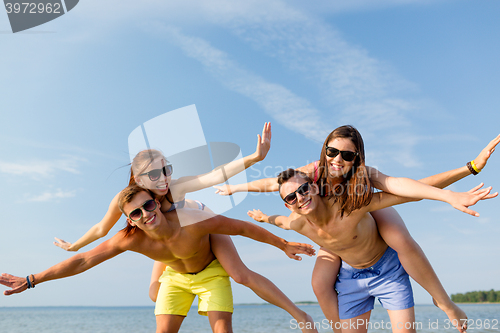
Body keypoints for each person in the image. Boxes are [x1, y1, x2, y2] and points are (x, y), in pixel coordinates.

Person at [216, 127, 500, 332]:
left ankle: (443, 302)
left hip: (362, 211)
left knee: (398, 238)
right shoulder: (312, 176)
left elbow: (406, 188)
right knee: (319, 282)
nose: (337, 160)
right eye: (331, 152)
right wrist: (238, 190)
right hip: (333, 232)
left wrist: (467, 172)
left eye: (346, 155)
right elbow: (273, 186)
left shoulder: (364, 180)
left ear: (358, 158)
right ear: (324, 151)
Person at [53, 123, 316, 329]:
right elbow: (102, 228)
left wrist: (255, 158)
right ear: (138, 178)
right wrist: (75, 245)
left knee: (239, 274)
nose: (164, 178)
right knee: (156, 290)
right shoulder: (129, 200)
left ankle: (300, 315)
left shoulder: (174, 187)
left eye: (166, 169)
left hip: (201, 222)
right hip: (171, 238)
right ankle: (164, 278)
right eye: (155, 174)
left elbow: (214, 175)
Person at [1, 185, 316, 333]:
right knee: (160, 314)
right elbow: (84, 261)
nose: (144, 214)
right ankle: (160, 272)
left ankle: (300, 315)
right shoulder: (129, 238)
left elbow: (242, 227)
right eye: (135, 213)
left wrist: (283, 244)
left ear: (157, 202)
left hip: (209, 267)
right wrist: (31, 280)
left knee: (238, 282)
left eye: (148, 206)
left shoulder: (193, 220)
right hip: (176, 276)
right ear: (130, 220)